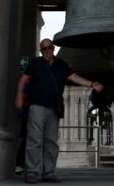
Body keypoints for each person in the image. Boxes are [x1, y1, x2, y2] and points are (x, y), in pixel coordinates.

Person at [15, 38, 104, 184]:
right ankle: (32, 172)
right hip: (37, 106)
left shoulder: (61, 64)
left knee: (51, 141)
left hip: (54, 108)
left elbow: (74, 77)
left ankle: (48, 173)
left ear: (53, 48)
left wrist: (92, 84)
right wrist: (19, 95)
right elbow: (24, 79)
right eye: (44, 48)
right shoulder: (35, 63)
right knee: (34, 139)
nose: (48, 50)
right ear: (41, 50)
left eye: (50, 47)